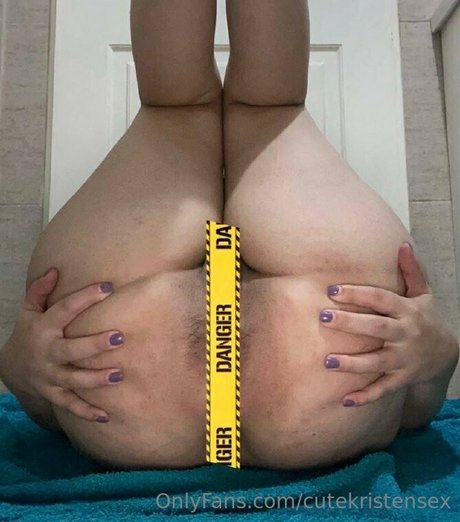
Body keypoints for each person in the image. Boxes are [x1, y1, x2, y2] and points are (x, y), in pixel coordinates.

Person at [0, 0, 458, 470]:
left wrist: (16, 368)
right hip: (321, 347)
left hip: (124, 375)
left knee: (182, 111)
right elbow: (416, 411)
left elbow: (46, 412)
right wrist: (440, 357)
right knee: (266, 111)